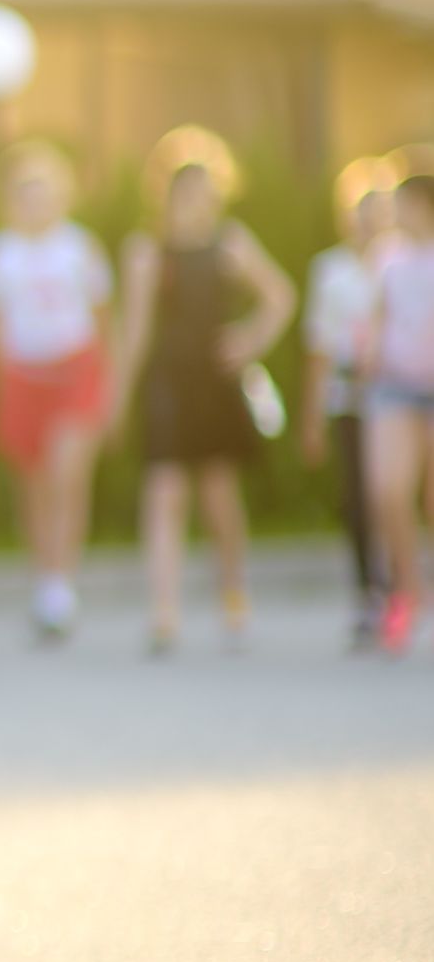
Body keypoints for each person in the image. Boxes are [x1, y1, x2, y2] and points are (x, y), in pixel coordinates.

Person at [111, 127, 297, 654]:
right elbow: (134, 329)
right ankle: (164, 611)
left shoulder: (230, 243)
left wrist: (251, 338)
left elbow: (280, 295)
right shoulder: (146, 250)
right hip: (168, 383)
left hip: (216, 380)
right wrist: (117, 397)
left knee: (219, 495)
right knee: (164, 492)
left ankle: (233, 595)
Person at [0, 143, 114, 642]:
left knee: (66, 473)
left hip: (73, 371)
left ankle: (63, 583)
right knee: (33, 485)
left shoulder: (80, 248)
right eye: (25, 192)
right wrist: (0, 381)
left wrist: (109, 387)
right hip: (22, 375)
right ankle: (44, 580)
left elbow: (103, 320)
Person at [303, 158, 399, 646]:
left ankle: (402, 585)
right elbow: (319, 347)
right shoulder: (331, 272)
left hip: (399, 397)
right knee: (359, 497)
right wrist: (312, 416)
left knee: (393, 493)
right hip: (350, 399)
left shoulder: (405, 263)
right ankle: (369, 592)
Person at [361, 170, 434, 654]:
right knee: (387, 489)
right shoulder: (385, 256)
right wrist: (367, 352)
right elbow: (375, 315)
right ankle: (408, 590)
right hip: (393, 386)